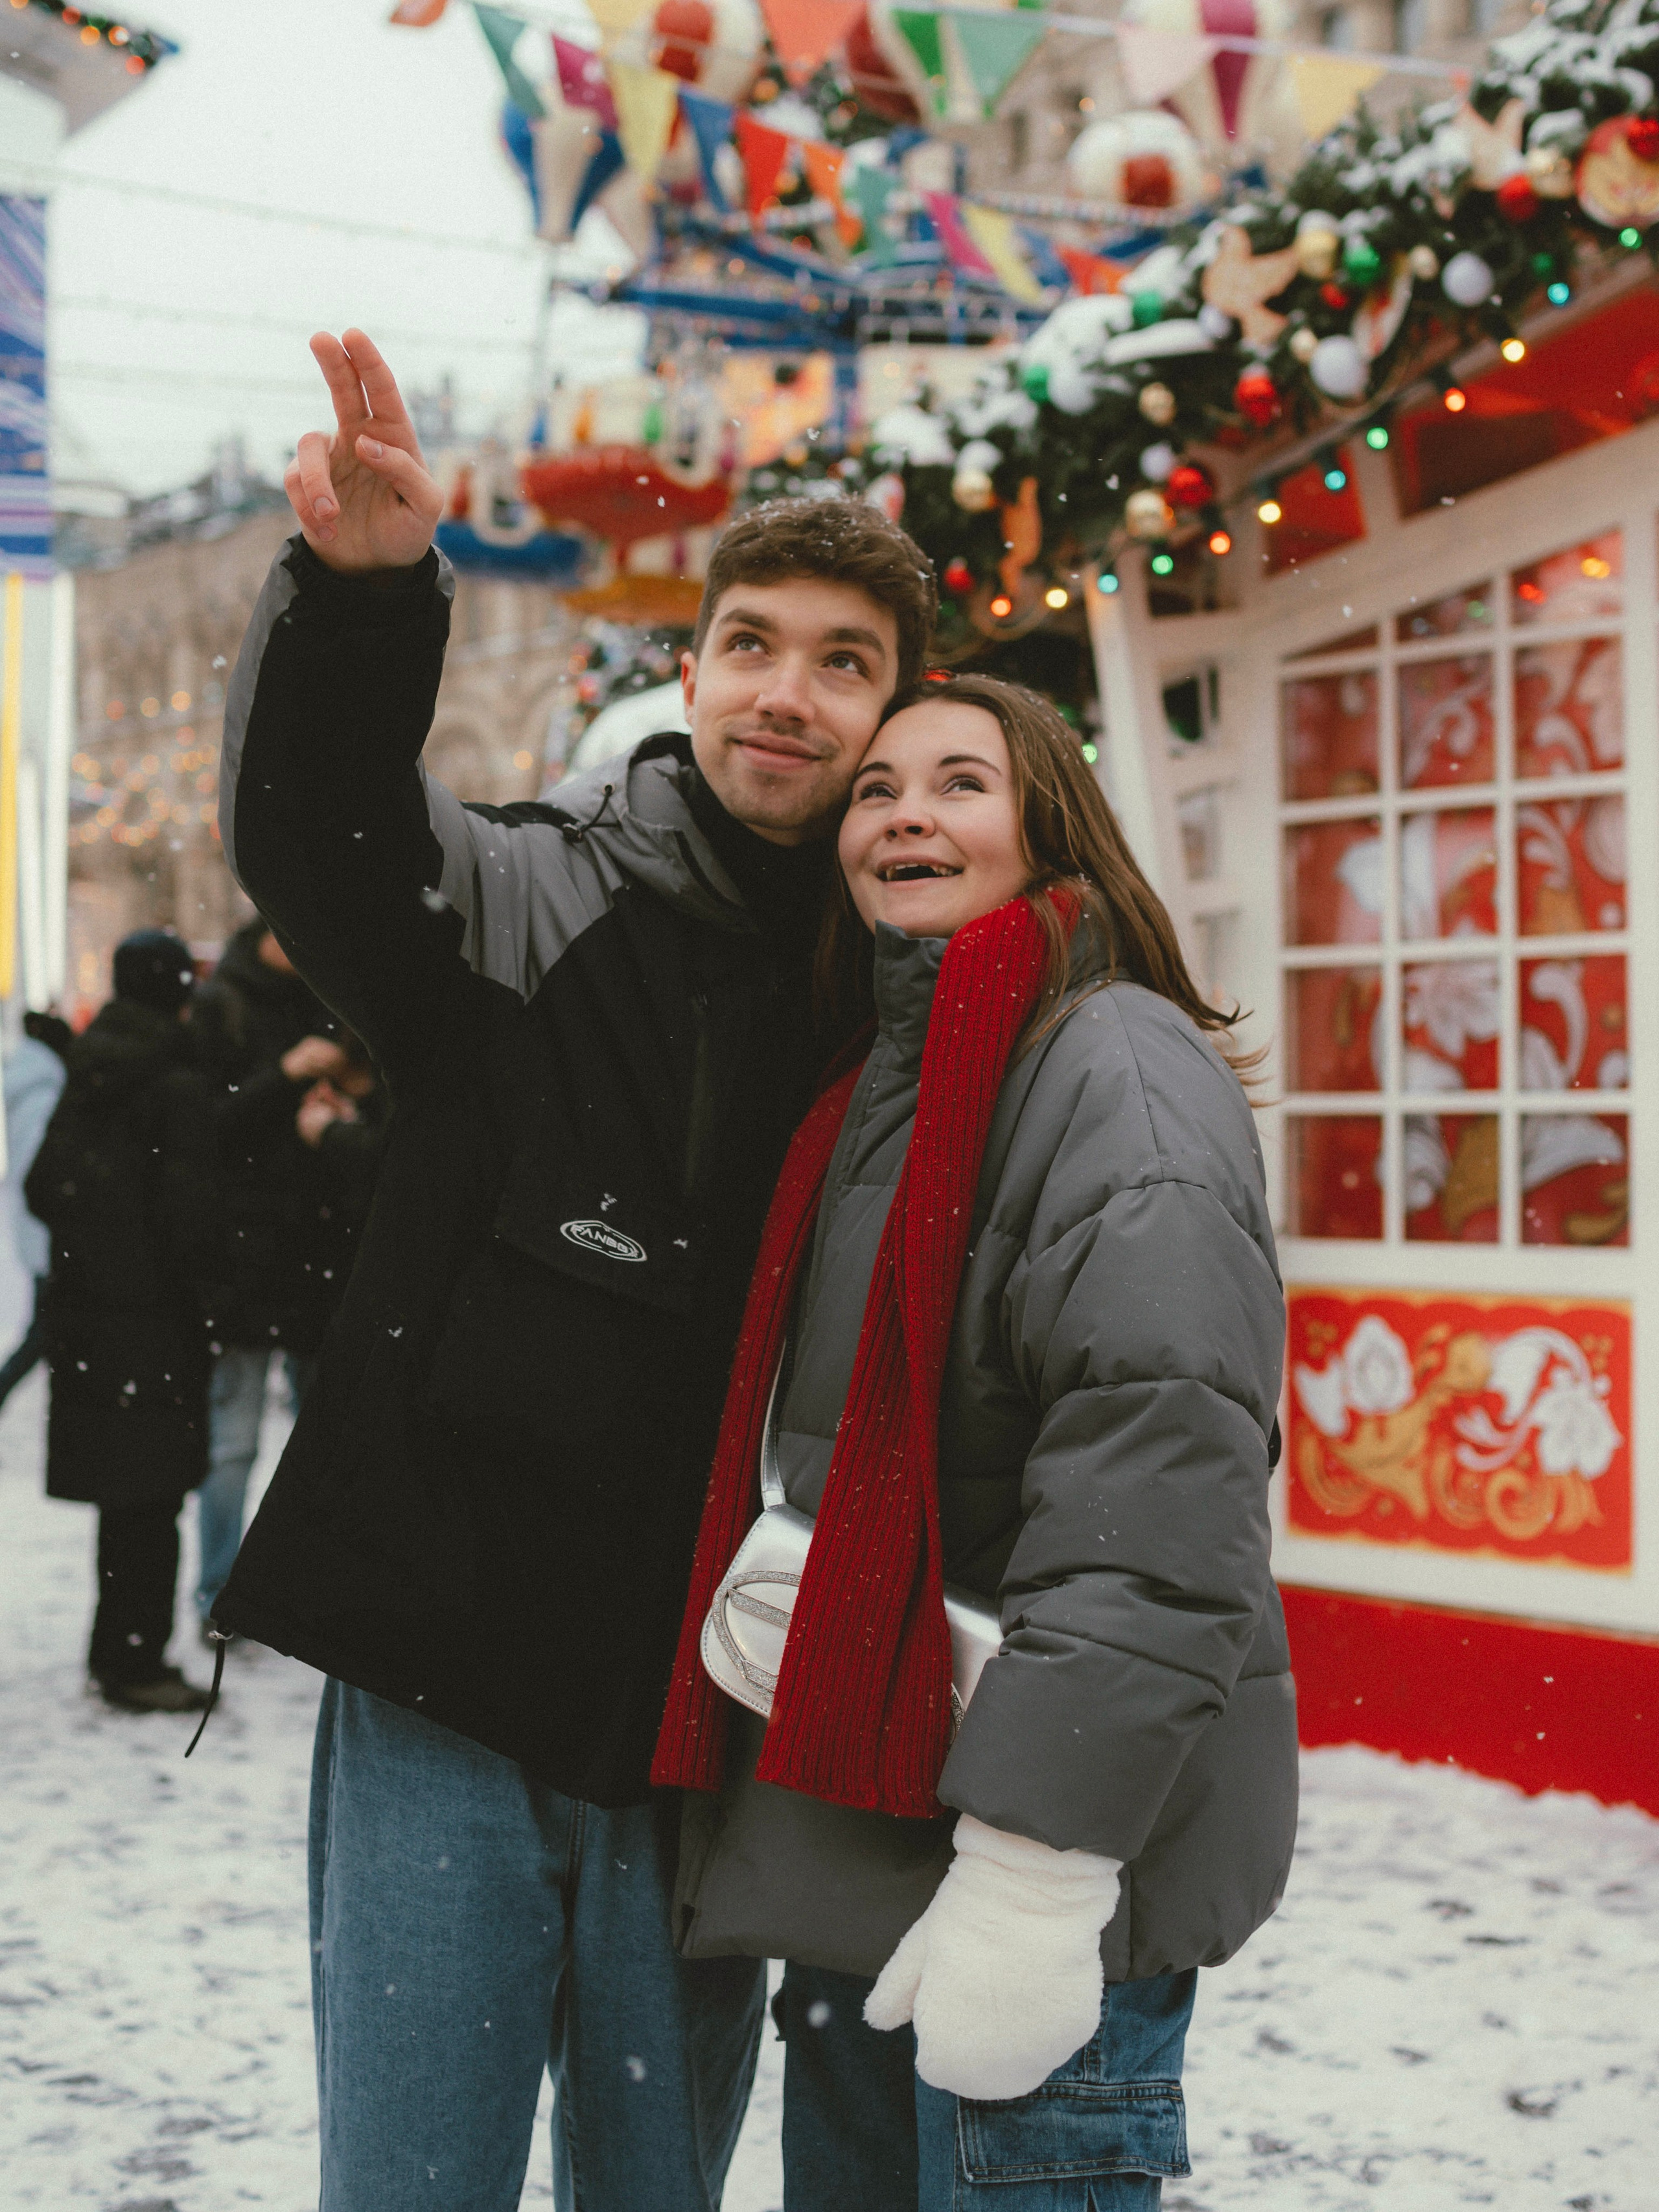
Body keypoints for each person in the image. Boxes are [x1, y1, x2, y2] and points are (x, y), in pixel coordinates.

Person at [206, 327, 938, 2212]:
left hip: (695, 1726)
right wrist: (363, 602)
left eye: (843, 664)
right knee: (416, 2185)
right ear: (687, 672)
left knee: (653, 2189)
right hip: (449, 1683)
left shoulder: (882, 1006)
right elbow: (322, 836)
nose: (788, 694)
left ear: (895, 716)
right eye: (754, 645)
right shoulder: (536, 899)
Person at [657, 675, 1295, 2210]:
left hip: (1024, 1865)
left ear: (1047, 828)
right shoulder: (886, 1078)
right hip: (873, 1844)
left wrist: (1032, 1871)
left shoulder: (1110, 1074)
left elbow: (1157, 1501)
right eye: (876, 789)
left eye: (959, 782)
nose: (903, 815)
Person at [25, 931, 216, 1714]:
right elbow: (191, 1216)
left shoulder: (91, 1063)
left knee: (124, 1500)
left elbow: (46, 1185)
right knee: (156, 1498)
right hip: (157, 1325)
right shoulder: (177, 1076)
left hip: (93, 1322)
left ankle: (119, 1652)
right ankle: (138, 1661)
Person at [189, 918, 368, 1634]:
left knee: (323, 1435)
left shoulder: (325, 997)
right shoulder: (222, 1002)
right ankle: (220, 1596)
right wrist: (286, 1076)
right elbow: (209, 1126)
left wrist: (336, 1109)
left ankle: (297, 1593)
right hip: (245, 1259)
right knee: (233, 1440)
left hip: (315, 1253)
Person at [0, 1009, 71, 1410]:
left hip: (40, 1231)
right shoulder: (42, 1094)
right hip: (46, 1234)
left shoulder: (33, 1084)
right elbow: (40, 1170)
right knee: (45, 1331)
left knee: (46, 1329)